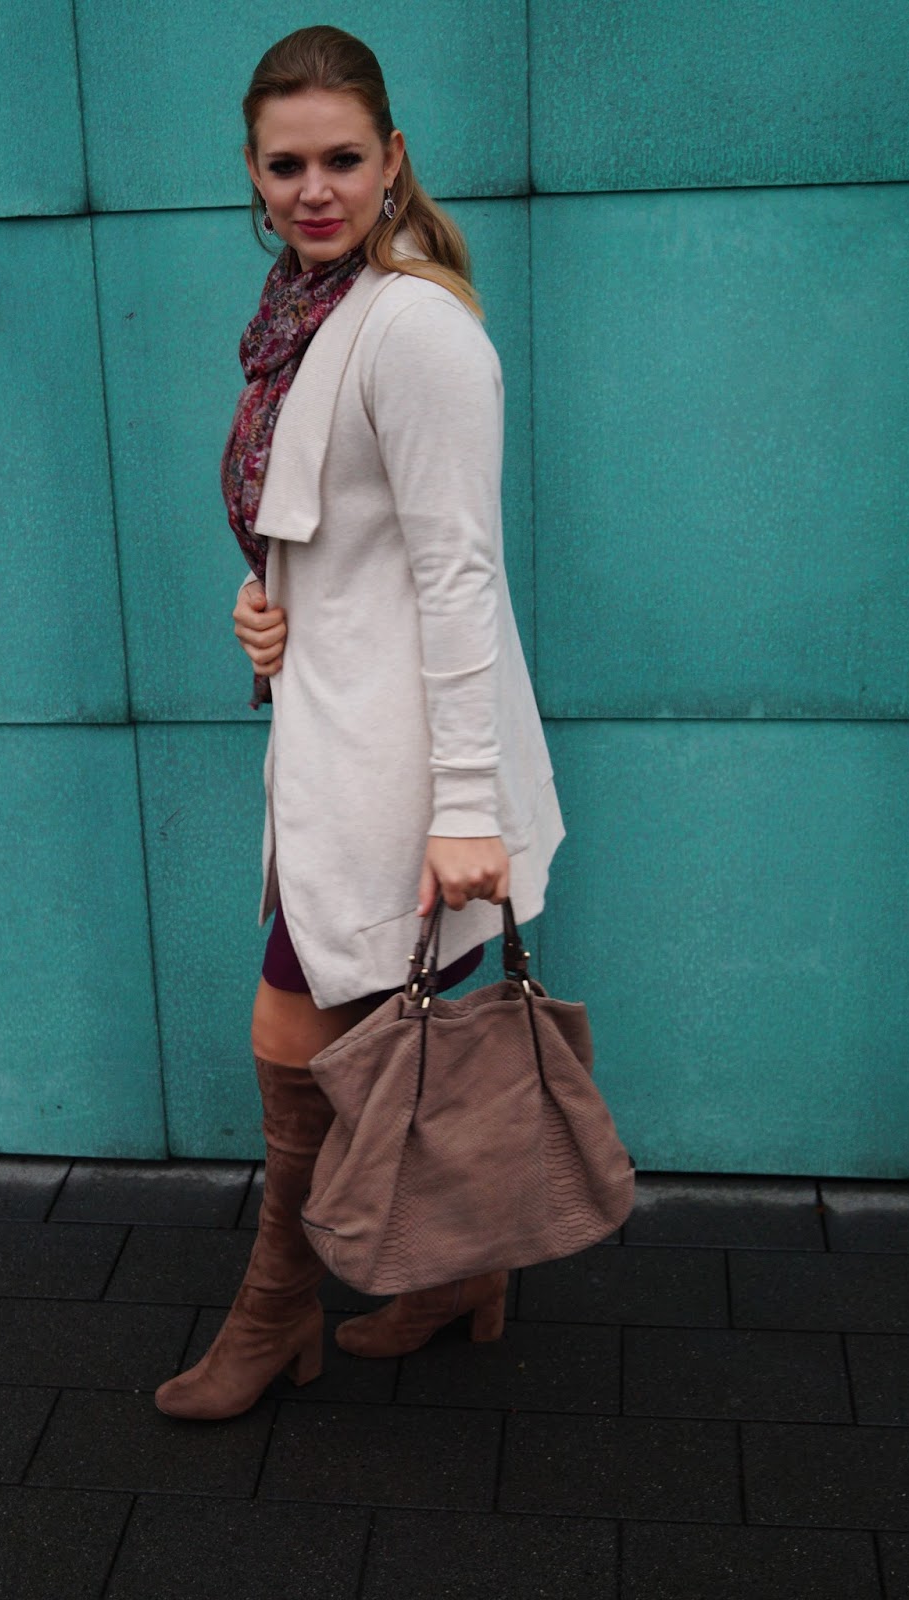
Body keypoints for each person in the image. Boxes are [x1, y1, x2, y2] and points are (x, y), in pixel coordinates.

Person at [154, 24, 564, 1421]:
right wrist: (266, 609)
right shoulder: (300, 320)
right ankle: (464, 1270)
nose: (313, 189)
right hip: (334, 733)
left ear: (392, 159)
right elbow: (337, 534)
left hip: (410, 763)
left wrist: (469, 807)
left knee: (298, 1030)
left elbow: (458, 573)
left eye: (341, 158)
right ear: (253, 174)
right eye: (286, 165)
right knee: (391, 1027)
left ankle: (277, 1311)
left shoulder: (413, 327)